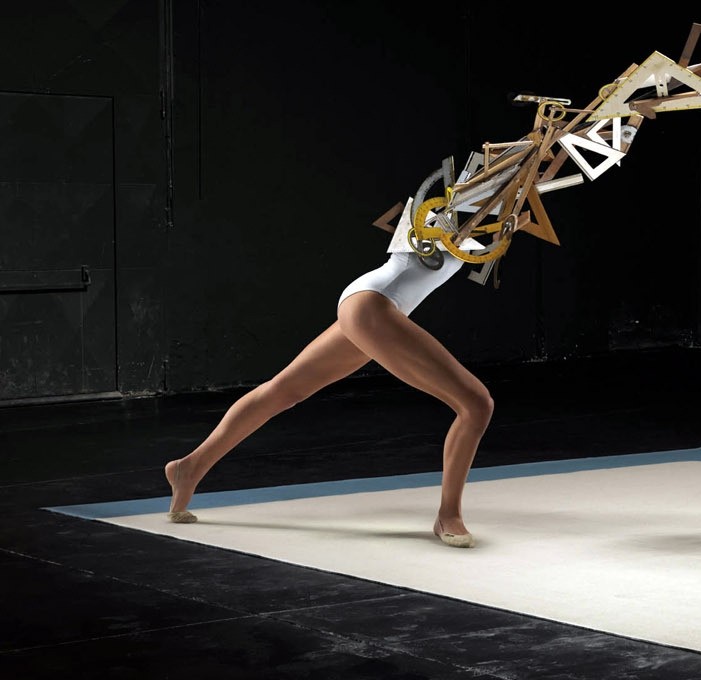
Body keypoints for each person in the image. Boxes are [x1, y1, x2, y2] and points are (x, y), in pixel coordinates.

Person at [163, 211, 494, 548]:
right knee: (476, 404)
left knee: (283, 390)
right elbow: (417, 221)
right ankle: (448, 515)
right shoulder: (464, 197)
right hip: (374, 305)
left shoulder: (493, 211)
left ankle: (187, 469)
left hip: (370, 304)